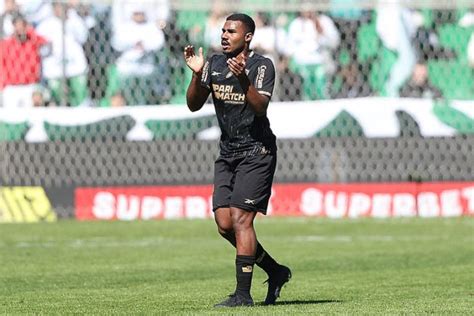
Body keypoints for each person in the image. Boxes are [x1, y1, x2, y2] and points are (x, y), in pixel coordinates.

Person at [183, 13, 291, 308]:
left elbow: (259, 107)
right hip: (228, 152)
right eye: (223, 30)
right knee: (223, 223)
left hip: (257, 152)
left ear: (247, 37)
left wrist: (242, 77)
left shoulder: (261, 66)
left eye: (231, 31)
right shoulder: (214, 64)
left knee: (242, 219)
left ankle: (242, 295)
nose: (224, 35)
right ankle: (275, 271)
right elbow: (193, 105)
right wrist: (196, 73)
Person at [0, 13, 48, 108]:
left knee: (31, 117)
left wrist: (30, 32)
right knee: (11, 117)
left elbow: (45, 41)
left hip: (29, 86)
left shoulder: (33, 42)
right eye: (17, 25)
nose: (20, 29)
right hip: (11, 87)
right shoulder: (6, 44)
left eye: (22, 25)